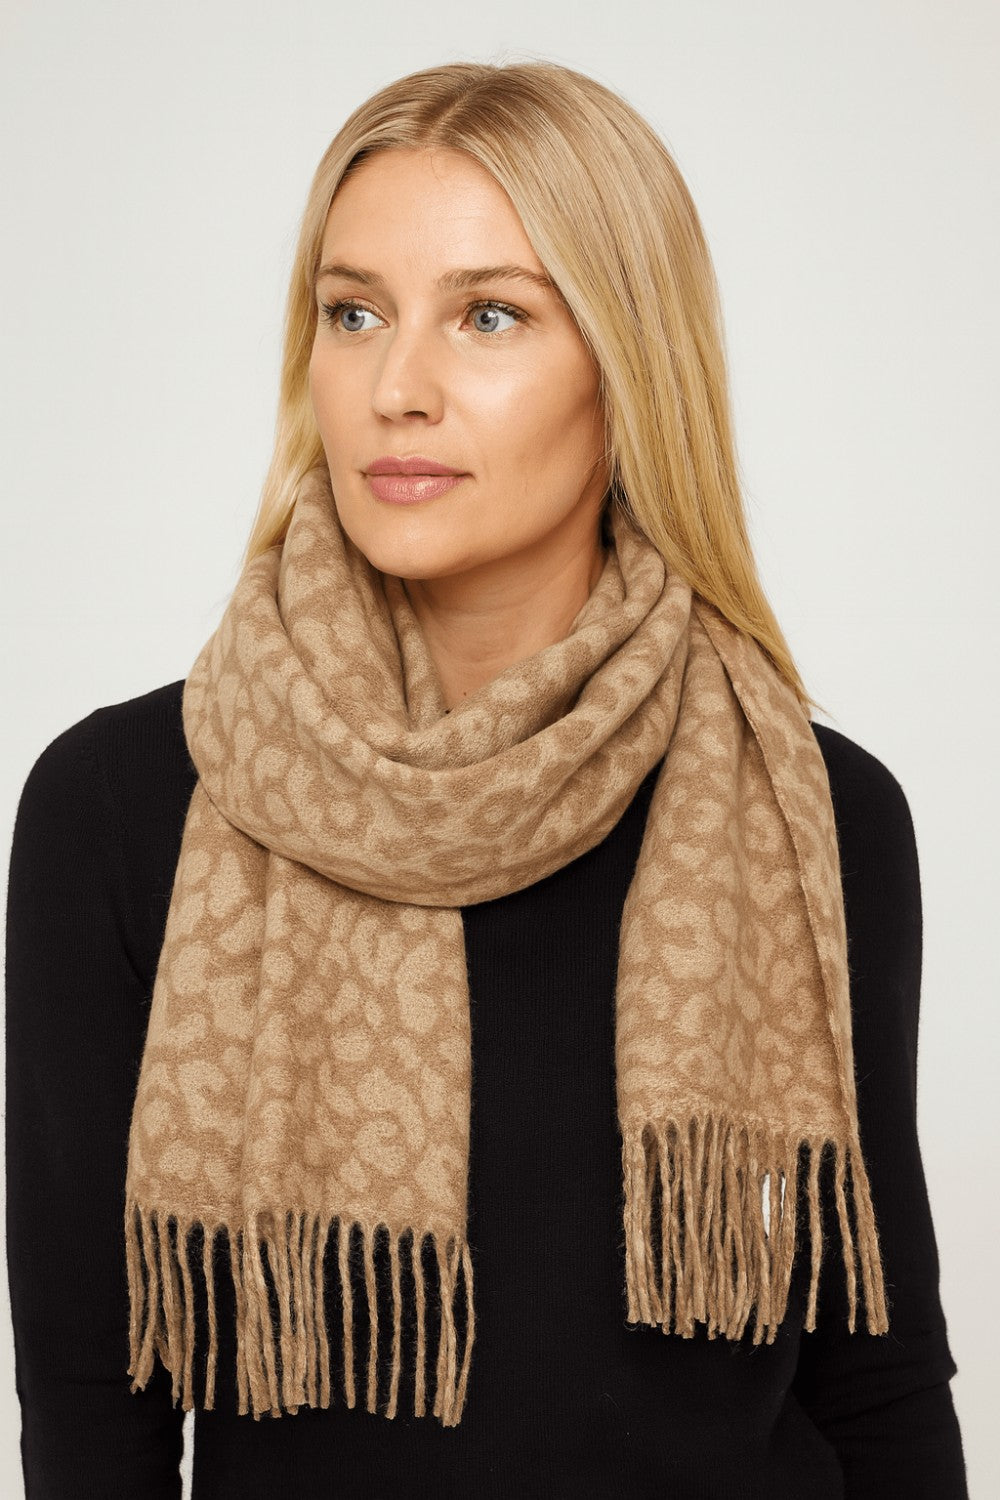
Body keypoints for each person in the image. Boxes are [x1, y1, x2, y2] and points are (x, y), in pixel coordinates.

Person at [5, 59, 968, 1499]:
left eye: (489, 316)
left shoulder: (811, 807)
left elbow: (875, 1372)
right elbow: (94, 1410)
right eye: (354, 314)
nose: (397, 389)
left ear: (627, 368)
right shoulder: (122, 805)